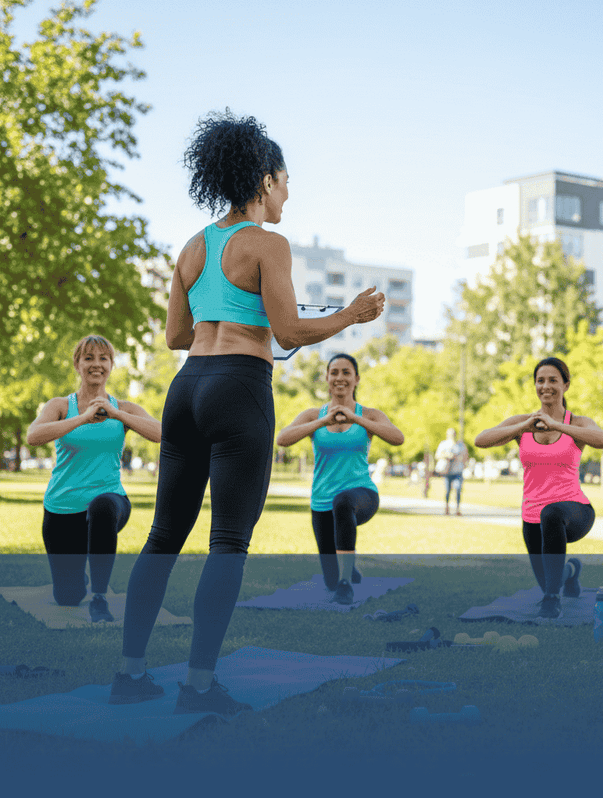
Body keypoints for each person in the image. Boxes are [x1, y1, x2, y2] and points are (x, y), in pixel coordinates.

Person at [110, 112, 385, 714]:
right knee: (228, 541)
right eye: (285, 182)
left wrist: (232, 312)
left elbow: (176, 336)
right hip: (239, 386)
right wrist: (350, 316)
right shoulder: (268, 244)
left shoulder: (191, 246)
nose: (287, 194)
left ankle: (129, 675)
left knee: (162, 537)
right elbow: (288, 329)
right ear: (264, 180)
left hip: (186, 389)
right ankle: (198, 687)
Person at [26, 335, 162, 622]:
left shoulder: (122, 408)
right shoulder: (61, 405)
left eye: (103, 358)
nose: (96, 364)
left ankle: (99, 597)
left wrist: (115, 414)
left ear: (112, 365)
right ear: (77, 364)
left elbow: (162, 433)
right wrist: (83, 417)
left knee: (101, 507)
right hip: (62, 509)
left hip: (109, 500)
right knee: (67, 597)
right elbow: (33, 436)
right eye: (89, 358)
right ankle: (80, 584)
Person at [475, 357, 603, 619]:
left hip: (574, 512)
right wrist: (523, 426)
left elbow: (602, 440)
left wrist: (557, 425)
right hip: (532, 517)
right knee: (553, 579)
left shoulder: (576, 423)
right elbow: (481, 440)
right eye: (540, 381)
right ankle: (571, 572)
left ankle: (551, 601)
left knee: (552, 513)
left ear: (566, 385)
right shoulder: (523, 424)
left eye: (553, 380)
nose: (546, 386)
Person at [276, 353, 404, 604]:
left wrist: (355, 418)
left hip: (362, 494)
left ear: (356, 379)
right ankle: (347, 572)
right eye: (334, 372)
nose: (340, 378)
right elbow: (283, 438)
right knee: (329, 581)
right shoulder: (314, 415)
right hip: (321, 502)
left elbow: (397, 438)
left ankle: (346, 582)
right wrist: (323, 421)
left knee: (343, 503)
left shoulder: (368, 414)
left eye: (346, 372)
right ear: (326, 378)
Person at [435, 428, 469, 515]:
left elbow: (466, 456)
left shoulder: (461, 445)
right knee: (447, 490)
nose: (452, 435)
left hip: (458, 471)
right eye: (450, 434)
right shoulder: (443, 444)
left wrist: (461, 461)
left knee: (458, 489)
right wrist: (447, 455)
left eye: (453, 433)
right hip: (447, 471)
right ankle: (447, 508)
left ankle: (457, 509)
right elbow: (437, 455)